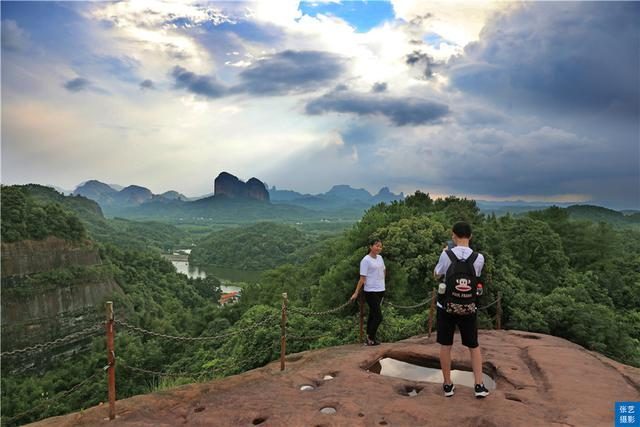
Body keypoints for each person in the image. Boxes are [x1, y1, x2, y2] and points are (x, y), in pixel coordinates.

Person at [433, 221, 490, 398]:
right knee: (473, 346)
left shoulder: (446, 255)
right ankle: (479, 385)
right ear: (470, 236)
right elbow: (476, 277)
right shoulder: (478, 258)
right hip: (469, 307)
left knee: (446, 345)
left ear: (453, 235)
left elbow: (437, 274)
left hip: (446, 307)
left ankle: (448, 385)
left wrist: (444, 254)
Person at [350, 239, 386, 346]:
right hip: (371, 291)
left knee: (373, 314)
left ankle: (369, 337)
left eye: (380, 246)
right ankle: (371, 337)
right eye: (376, 246)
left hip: (380, 290)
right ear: (370, 247)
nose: (378, 248)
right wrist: (356, 293)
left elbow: (384, 270)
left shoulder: (380, 258)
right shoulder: (365, 260)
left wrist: (382, 281)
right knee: (379, 317)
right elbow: (362, 278)